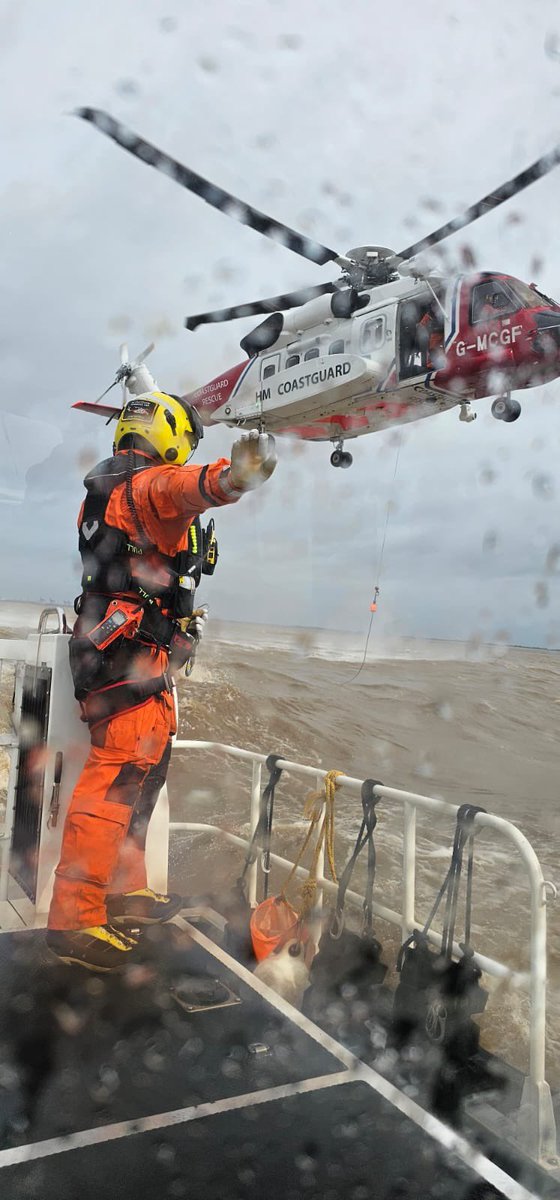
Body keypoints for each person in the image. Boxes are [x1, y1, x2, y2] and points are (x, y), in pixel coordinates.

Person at [47, 390, 277, 970]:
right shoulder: (145, 487)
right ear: (171, 437)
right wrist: (235, 475)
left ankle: (124, 890)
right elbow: (186, 487)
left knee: (143, 779)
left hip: (134, 657)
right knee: (115, 783)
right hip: (123, 659)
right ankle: (75, 919)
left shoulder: (107, 491)